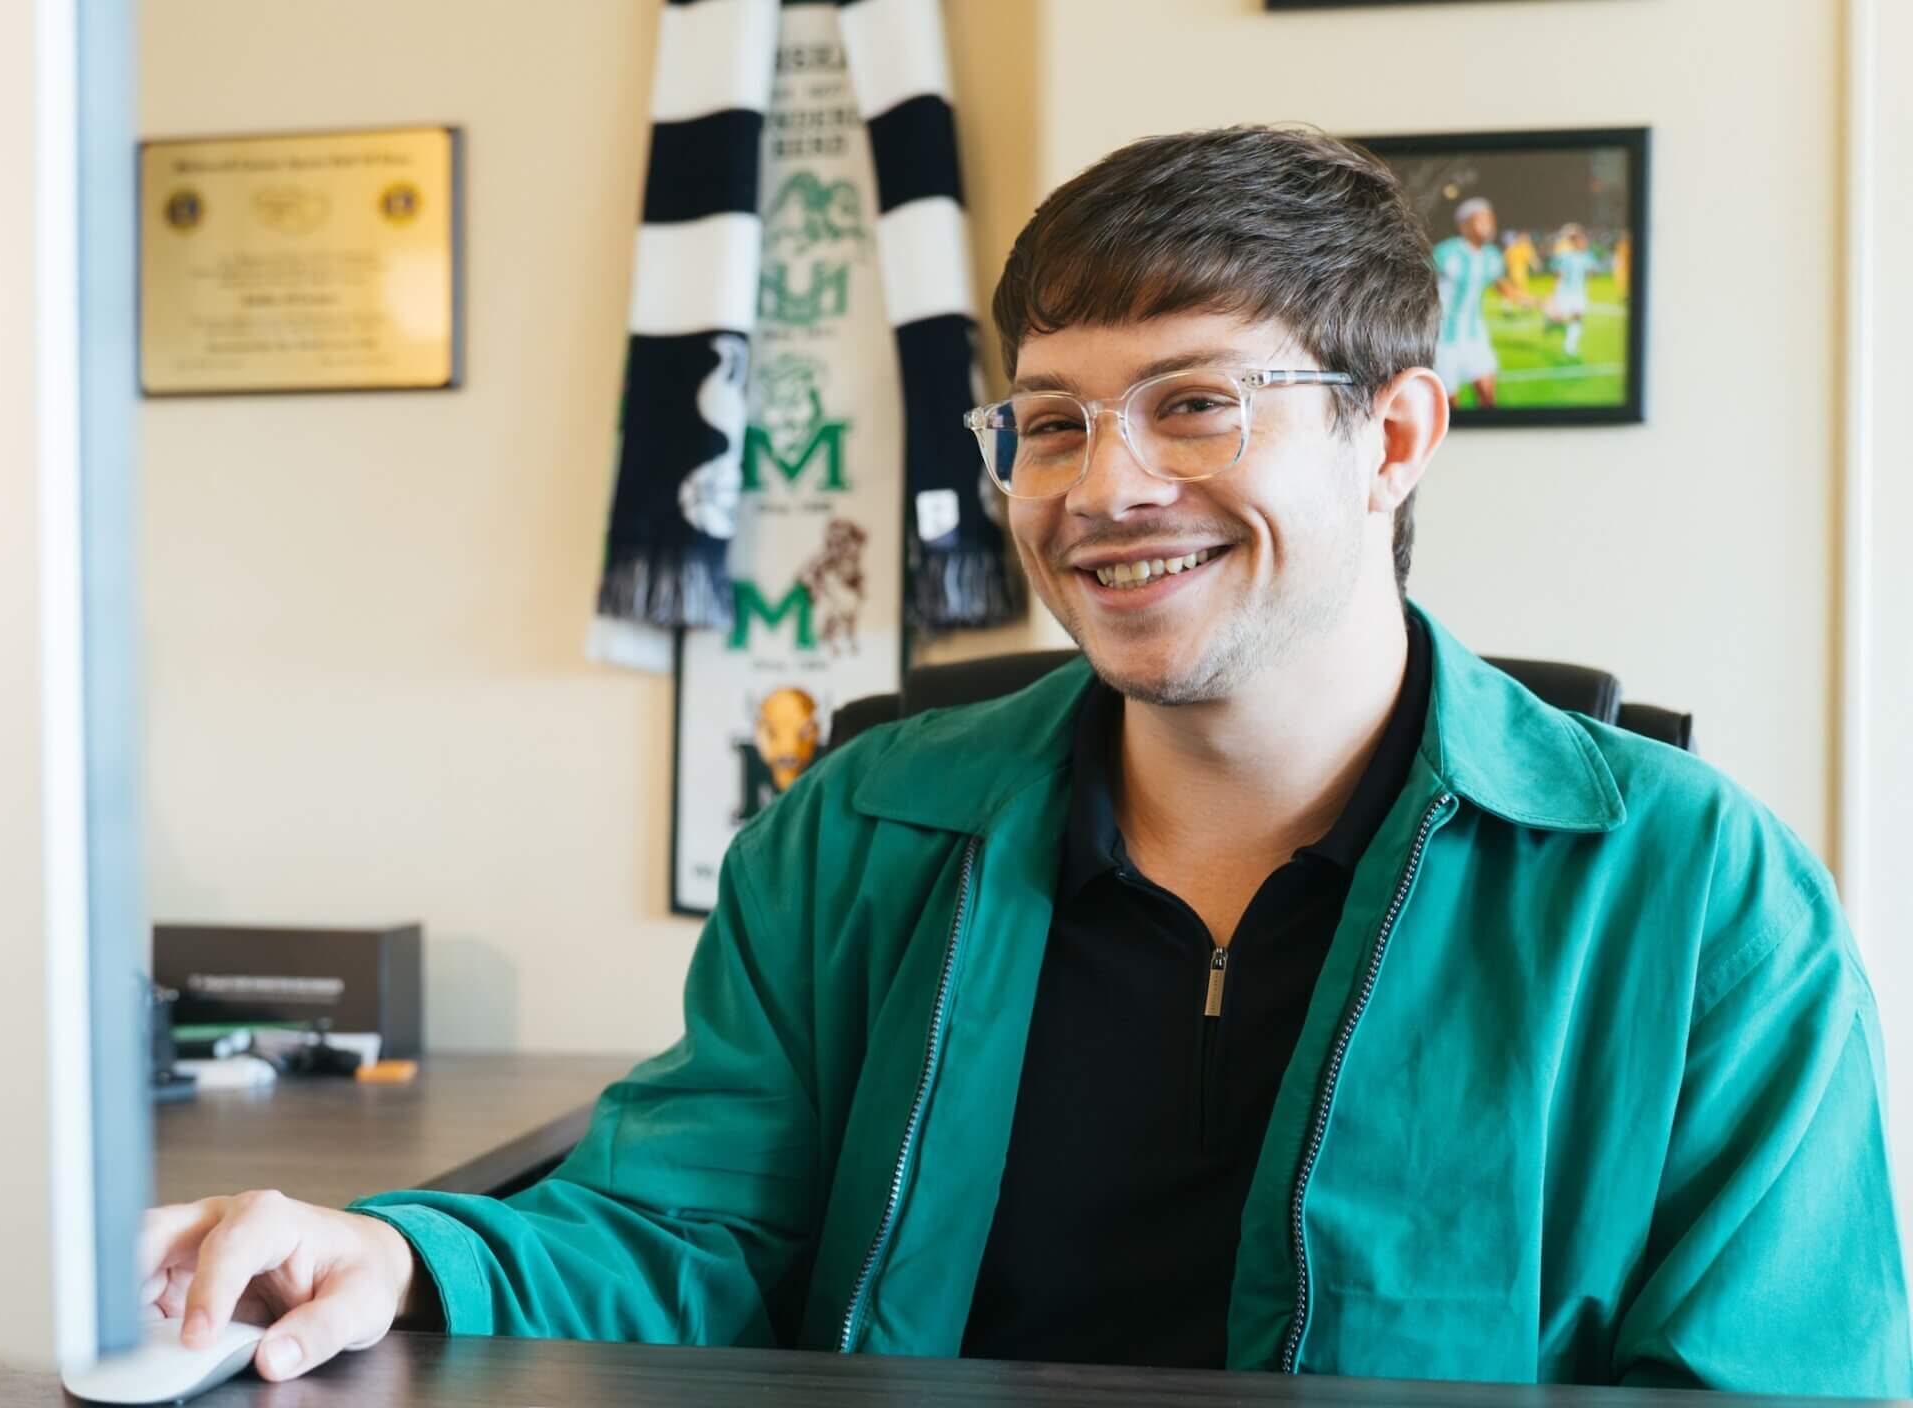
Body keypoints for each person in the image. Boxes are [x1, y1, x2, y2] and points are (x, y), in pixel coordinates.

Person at [136, 125, 1910, 1396]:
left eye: (1198, 400)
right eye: (1050, 419)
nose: (1105, 485)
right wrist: (412, 1252)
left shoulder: (1699, 892)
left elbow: (1775, 1382)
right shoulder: (852, 832)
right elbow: (686, 1230)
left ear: (1395, 433)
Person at [1432, 196, 1511, 407]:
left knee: (1488, 399)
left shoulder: (1492, 256)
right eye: (1482, 221)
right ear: (1464, 226)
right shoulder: (1444, 253)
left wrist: (1540, 303)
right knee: (1450, 410)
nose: (1489, 226)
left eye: (1491, 221)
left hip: (1476, 338)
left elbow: (1505, 289)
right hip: (1444, 343)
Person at [1544, 223, 1598, 361]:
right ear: (1573, 242)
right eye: (1578, 240)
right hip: (1565, 292)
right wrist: (1555, 292)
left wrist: (1591, 270)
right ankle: (1550, 321)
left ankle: (1570, 346)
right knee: (1559, 317)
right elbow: (1558, 273)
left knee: (1578, 316)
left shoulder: (1587, 256)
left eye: (1582, 240)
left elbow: (1592, 271)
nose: (1582, 242)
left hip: (1579, 292)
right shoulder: (1565, 256)